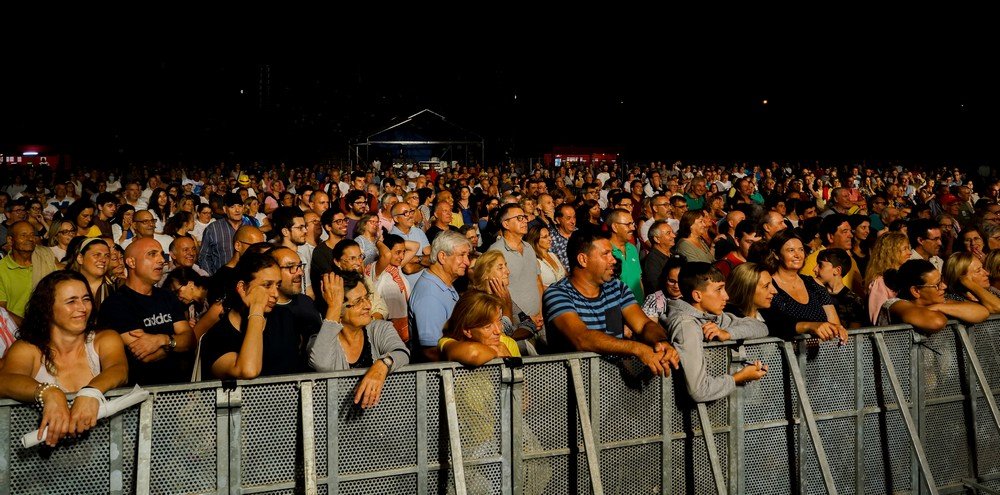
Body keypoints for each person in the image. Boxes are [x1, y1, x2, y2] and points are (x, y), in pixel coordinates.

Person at [0, 271, 128, 447]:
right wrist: (49, 393)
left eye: (86, 299)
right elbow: (5, 381)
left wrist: (91, 392)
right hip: (43, 455)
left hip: (103, 450)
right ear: (47, 308)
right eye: (71, 301)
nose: (82, 308)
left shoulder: (105, 339)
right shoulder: (28, 349)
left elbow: (119, 370)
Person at [543, 230, 680, 375]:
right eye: (605, 254)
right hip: (575, 383)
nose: (613, 260)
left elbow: (644, 324)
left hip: (613, 382)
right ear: (583, 259)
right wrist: (636, 348)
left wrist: (661, 342)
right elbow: (581, 337)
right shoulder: (557, 294)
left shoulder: (617, 288)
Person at [664, 262, 767, 403]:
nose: (726, 296)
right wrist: (739, 377)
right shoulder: (686, 326)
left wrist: (727, 333)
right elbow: (699, 391)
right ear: (697, 296)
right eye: (719, 289)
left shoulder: (712, 316)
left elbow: (760, 327)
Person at [98, 237, 195, 385]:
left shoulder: (167, 296)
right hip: (139, 391)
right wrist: (176, 344)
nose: (161, 260)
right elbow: (144, 354)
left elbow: (190, 340)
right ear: (131, 262)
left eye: (161, 254)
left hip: (178, 390)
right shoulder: (115, 304)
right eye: (152, 254)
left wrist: (162, 340)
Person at [307, 272, 410, 409]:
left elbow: (402, 353)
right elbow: (321, 364)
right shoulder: (318, 341)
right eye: (358, 302)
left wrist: (381, 365)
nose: (368, 305)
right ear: (339, 311)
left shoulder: (379, 328)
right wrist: (334, 307)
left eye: (367, 297)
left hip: (380, 415)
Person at [199, 251, 299, 379]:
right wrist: (256, 308)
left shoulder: (284, 318)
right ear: (242, 288)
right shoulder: (216, 337)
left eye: (278, 285)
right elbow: (248, 371)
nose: (275, 294)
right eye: (267, 285)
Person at [758, 231, 847, 343]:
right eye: (791, 250)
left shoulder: (814, 284)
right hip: (786, 352)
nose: (798, 255)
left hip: (821, 352)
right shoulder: (769, 285)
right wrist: (810, 326)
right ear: (776, 254)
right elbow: (775, 323)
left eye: (801, 249)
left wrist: (838, 329)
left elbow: (834, 325)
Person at [409, 231, 473, 361]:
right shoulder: (429, 295)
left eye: (467, 255)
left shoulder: (444, 283)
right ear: (442, 257)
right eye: (461, 255)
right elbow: (431, 351)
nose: (467, 262)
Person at [877, 259, 989, 333]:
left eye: (942, 281)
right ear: (916, 291)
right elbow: (937, 321)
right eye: (936, 285)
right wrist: (941, 308)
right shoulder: (895, 305)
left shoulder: (937, 303)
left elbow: (982, 312)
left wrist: (938, 307)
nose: (943, 286)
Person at [439, 290, 520, 366]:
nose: (498, 331)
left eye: (499, 320)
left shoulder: (507, 343)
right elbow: (473, 353)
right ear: (467, 331)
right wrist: (496, 352)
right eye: (488, 327)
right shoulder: (448, 343)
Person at [371, 234, 420, 342]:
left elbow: (415, 246)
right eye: (398, 252)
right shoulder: (377, 269)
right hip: (387, 326)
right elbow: (386, 255)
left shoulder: (397, 266)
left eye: (403, 252)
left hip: (404, 324)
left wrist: (398, 244)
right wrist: (378, 241)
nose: (401, 256)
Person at [813, 248, 868, 328]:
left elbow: (855, 332)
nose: (814, 269)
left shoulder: (853, 301)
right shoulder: (814, 294)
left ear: (837, 270)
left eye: (820, 265)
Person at [865, 232, 912, 325]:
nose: (909, 253)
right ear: (890, 252)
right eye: (904, 249)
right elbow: (878, 319)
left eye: (909, 248)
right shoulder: (880, 282)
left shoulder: (907, 276)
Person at [641, 254, 687, 321]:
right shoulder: (656, 299)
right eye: (671, 281)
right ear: (665, 278)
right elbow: (650, 326)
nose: (676, 286)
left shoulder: (693, 297)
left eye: (680, 282)